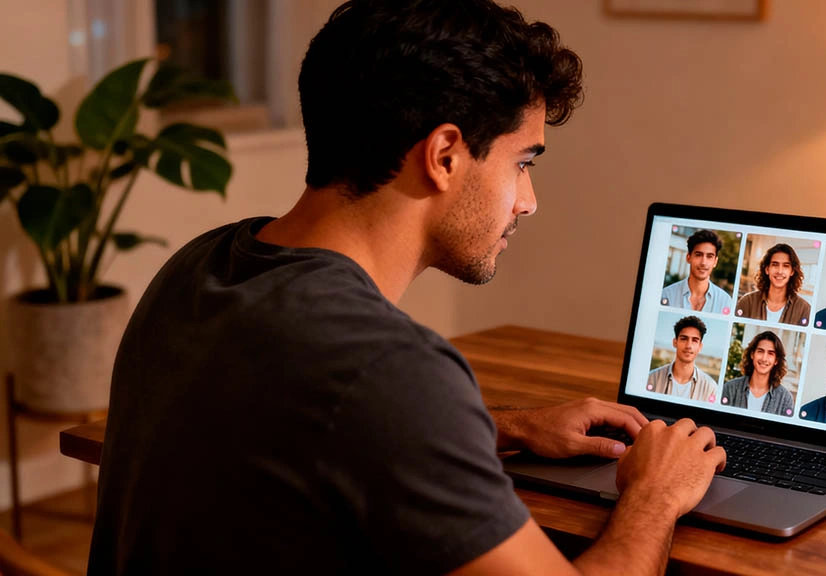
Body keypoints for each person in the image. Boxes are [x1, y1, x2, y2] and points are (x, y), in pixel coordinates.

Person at [87, 2, 727, 575]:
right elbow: (369, 397)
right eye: (523, 163)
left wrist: (506, 426)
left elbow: (304, 423)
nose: (528, 201)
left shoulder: (200, 267)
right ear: (445, 154)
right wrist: (656, 495)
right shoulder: (387, 369)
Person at [720, 331, 795, 416]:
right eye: (760, 351)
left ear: (776, 360)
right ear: (752, 354)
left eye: (770, 353)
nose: (764, 358)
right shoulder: (730, 388)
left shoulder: (785, 399)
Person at [735, 243, 811, 326]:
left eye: (786, 266)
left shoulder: (804, 309)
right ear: (767, 269)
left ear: (792, 271)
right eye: (775, 264)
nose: (780, 271)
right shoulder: (747, 302)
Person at [647, 316, 720, 402]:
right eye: (684, 339)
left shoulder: (710, 387)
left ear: (700, 347)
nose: (688, 346)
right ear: (675, 342)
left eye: (694, 340)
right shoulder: (652, 378)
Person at [660, 229, 734, 314]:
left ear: (715, 262)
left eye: (709, 256)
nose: (703, 262)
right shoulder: (666, 295)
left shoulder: (725, 301)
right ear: (688, 257)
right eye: (698, 255)